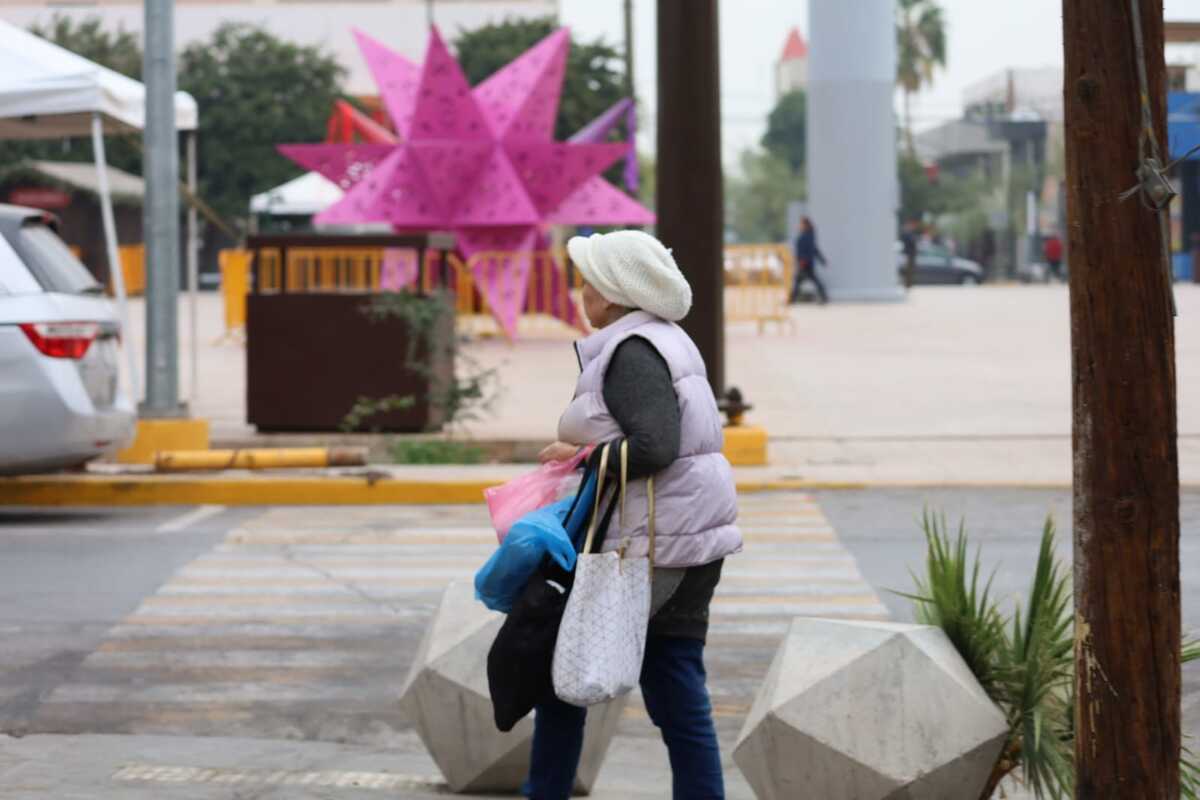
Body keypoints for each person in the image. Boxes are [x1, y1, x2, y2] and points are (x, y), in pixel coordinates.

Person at [532, 230, 742, 800]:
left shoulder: (632, 354)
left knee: (566, 675)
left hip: (654, 548)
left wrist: (580, 455)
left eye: (586, 282)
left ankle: (544, 791)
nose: (580, 292)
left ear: (610, 292)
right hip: (681, 539)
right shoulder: (664, 341)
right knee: (675, 686)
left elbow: (655, 446)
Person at [790, 216, 829, 304]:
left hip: (805, 263)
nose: (799, 226)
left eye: (801, 224)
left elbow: (810, 250)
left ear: (805, 225)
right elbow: (814, 249)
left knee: (801, 281)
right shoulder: (808, 235)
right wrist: (822, 260)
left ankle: (791, 299)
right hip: (805, 263)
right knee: (806, 281)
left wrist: (803, 261)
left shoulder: (807, 236)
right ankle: (824, 297)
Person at [900, 220, 920, 289]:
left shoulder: (911, 233)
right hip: (909, 254)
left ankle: (909, 284)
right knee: (908, 270)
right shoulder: (906, 234)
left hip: (911, 254)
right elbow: (911, 242)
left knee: (910, 270)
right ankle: (907, 284)